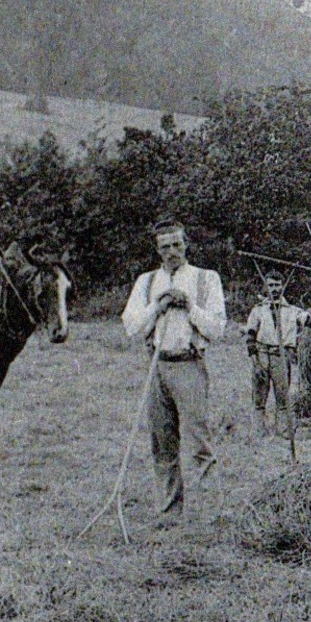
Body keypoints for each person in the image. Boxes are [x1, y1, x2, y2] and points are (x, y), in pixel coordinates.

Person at [120, 218, 226, 524]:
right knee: (162, 442)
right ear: (157, 250)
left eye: (177, 244)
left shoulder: (206, 279)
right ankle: (169, 512)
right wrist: (157, 307)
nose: (172, 252)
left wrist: (190, 306)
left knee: (199, 443)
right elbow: (132, 327)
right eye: (165, 247)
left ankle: (212, 514)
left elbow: (217, 329)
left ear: (186, 244)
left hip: (189, 365)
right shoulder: (147, 281)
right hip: (157, 366)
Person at [243, 270, 305, 437]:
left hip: (281, 355)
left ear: (283, 286)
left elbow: (310, 320)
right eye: (271, 285)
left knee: (282, 395)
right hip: (262, 354)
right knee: (259, 396)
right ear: (266, 287)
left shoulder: (293, 311)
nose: (274, 289)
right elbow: (250, 337)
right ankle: (258, 431)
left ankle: (283, 431)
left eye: (277, 285)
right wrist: (255, 362)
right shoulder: (258, 310)